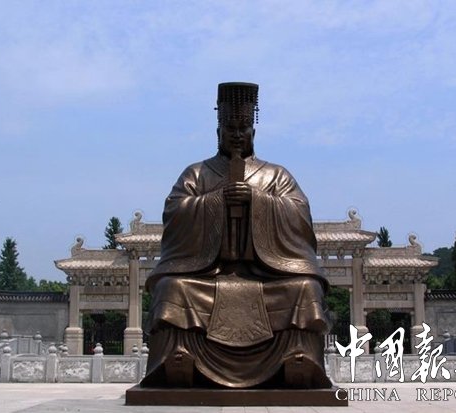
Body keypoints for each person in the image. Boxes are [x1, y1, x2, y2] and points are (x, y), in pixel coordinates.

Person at [142, 82, 332, 389]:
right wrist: (214, 201)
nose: (237, 134)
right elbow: (175, 212)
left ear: (253, 132)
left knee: (305, 288)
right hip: (208, 275)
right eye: (230, 128)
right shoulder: (196, 173)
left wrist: (259, 200)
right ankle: (180, 357)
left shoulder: (276, 175)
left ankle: (297, 357)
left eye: (243, 128)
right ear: (218, 131)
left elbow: (299, 214)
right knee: (172, 288)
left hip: (266, 274)